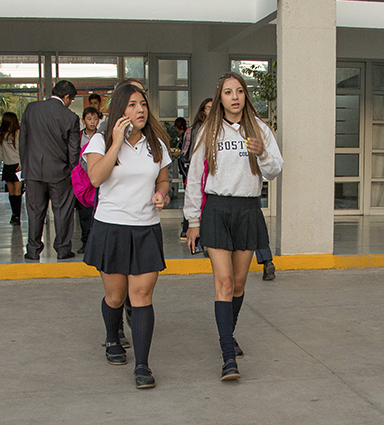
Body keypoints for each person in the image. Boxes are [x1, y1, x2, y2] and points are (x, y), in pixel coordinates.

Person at [183, 72, 283, 381]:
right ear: (220, 97)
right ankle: (228, 356)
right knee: (223, 283)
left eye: (239, 91)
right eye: (228, 92)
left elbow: (275, 169)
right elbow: (195, 176)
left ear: (245, 96)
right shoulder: (208, 132)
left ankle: (228, 333)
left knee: (238, 285)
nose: (235, 96)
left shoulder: (260, 129)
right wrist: (193, 221)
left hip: (247, 210)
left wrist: (262, 153)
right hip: (216, 210)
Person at [83, 83, 171, 389]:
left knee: (142, 296)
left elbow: (162, 178)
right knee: (116, 296)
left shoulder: (156, 141)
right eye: (133, 104)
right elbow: (96, 177)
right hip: (111, 226)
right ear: (121, 109)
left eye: (143, 104)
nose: (140, 109)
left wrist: (162, 193)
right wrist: (116, 142)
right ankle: (112, 337)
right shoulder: (99, 140)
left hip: (146, 227)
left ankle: (143, 365)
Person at [19, 80, 80, 260]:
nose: (70, 104)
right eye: (71, 100)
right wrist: (72, 171)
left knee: (35, 211)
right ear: (67, 97)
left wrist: (26, 164)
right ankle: (62, 249)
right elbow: (74, 150)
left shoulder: (31, 109)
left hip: (33, 171)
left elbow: (23, 140)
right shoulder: (70, 117)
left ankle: (32, 250)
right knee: (62, 211)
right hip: (59, 172)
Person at [179, 98, 212, 241]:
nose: (210, 110)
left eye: (213, 107)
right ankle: (189, 227)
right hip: (196, 165)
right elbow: (187, 149)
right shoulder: (197, 128)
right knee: (194, 194)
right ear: (202, 110)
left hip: (205, 167)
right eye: (207, 107)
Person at [75, 106, 99, 254]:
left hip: (97, 178)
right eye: (89, 119)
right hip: (82, 179)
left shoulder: (101, 136)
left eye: (95, 119)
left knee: (96, 210)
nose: (92, 122)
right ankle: (85, 241)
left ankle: (95, 241)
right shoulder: (77, 137)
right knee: (84, 212)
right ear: (84, 120)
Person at [0, 112, 22, 226]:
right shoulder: (2, 135)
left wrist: (21, 163)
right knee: (11, 192)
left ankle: (17, 216)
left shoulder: (18, 134)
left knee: (17, 191)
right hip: (8, 165)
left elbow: (22, 149)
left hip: (17, 165)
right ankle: (14, 214)